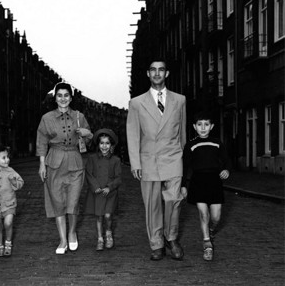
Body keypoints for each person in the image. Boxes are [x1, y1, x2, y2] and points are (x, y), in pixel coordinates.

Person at [126, 59, 187, 261]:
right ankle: (157, 243)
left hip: (173, 156)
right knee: (152, 204)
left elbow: (183, 133)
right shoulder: (136, 103)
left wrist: (180, 155)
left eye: (161, 70)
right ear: (148, 74)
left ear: (167, 74)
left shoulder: (180, 100)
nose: (157, 73)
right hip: (148, 159)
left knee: (173, 200)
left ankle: (171, 237)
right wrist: (135, 163)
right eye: (153, 70)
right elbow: (133, 134)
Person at [36, 82, 93, 254]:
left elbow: (88, 140)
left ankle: (72, 232)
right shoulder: (46, 118)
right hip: (54, 162)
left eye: (66, 95)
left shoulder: (79, 116)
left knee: (73, 202)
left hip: (75, 161)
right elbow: (42, 142)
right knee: (58, 202)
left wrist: (86, 134)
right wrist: (41, 165)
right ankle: (62, 240)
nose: (63, 99)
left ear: (71, 97)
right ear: (55, 98)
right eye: (59, 95)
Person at [181, 111, 230, 261]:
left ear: (212, 126)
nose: (203, 128)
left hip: (214, 181)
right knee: (203, 214)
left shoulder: (217, 143)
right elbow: (184, 167)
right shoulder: (191, 145)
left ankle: (211, 229)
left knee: (215, 217)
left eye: (206, 125)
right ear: (195, 127)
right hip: (198, 181)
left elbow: (226, 161)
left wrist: (226, 170)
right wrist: (183, 186)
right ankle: (207, 243)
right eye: (200, 125)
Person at [84, 128, 121, 251]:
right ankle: (100, 238)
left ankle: (109, 233)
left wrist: (109, 187)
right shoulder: (92, 158)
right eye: (101, 143)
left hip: (110, 193)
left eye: (107, 143)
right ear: (98, 144)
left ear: (111, 145)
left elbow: (118, 178)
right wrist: (95, 187)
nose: (104, 146)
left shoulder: (116, 160)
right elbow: (89, 174)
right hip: (98, 192)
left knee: (107, 215)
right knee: (99, 216)